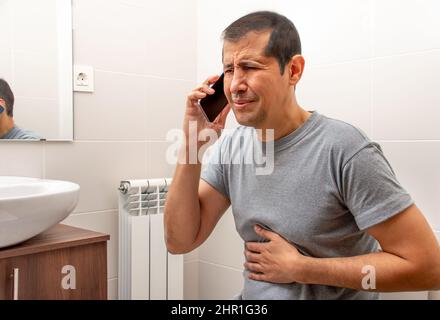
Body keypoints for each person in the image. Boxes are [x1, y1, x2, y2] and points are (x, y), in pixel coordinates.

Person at [164, 11, 440, 299]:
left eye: (250, 66)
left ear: (293, 70)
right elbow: (179, 241)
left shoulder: (345, 150)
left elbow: (429, 268)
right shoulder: (231, 149)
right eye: (230, 70)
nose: (235, 86)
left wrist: (303, 268)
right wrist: (191, 147)